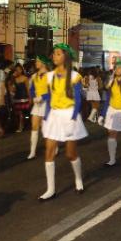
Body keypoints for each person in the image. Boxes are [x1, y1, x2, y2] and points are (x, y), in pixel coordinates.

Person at [39, 44, 87, 201]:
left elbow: (79, 100)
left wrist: (73, 118)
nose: (54, 56)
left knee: (70, 154)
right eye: (53, 54)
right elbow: (46, 96)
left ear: (65, 57)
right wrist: (45, 114)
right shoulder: (49, 76)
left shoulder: (74, 76)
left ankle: (78, 179)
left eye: (58, 54)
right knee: (49, 152)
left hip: (69, 115)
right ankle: (50, 189)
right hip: (54, 116)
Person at [28, 55, 52, 160]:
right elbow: (32, 89)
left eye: (38, 61)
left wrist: (43, 97)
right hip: (37, 104)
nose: (36, 63)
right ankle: (32, 152)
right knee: (34, 127)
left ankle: (52, 148)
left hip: (47, 104)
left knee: (45, 128)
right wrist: (34, 97)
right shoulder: (34, 76)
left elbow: (53, 91)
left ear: (43, 63)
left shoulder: (51, 76)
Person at [11, 64, 31, 133]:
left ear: (22, 70)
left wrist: (29, 98)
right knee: (19, 113)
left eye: (19, 69)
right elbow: (12, 89)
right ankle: (21, 125)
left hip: (24, 97)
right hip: (17, 97)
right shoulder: (14, 79)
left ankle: (21, 126)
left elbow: (28, 89)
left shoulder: (25, 78)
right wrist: (12, 77)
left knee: (22, 113)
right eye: (16, 70)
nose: (18, 71)